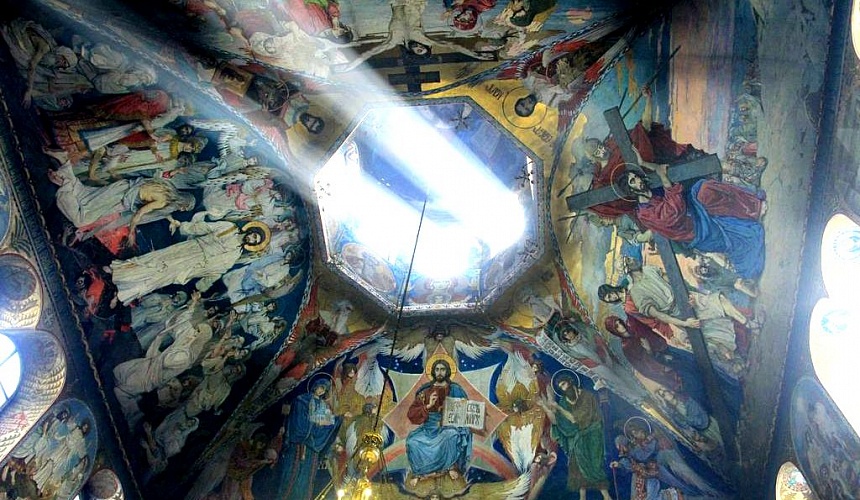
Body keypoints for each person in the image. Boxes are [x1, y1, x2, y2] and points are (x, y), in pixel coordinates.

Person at [614, 161, 766, 280]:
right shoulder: (644, 213)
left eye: (636, 177)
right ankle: (751, 211)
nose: (638, 181)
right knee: (743, 240)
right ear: (631, 190)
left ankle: (753, 207)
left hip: (693, 211)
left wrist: (645, 163)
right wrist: (663, 177)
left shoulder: (652, 192)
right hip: (694, 231)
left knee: (705, 189)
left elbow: (661, 172)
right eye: (632, 182)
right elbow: (673, 213)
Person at [107, 216, 270, 304]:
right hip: (189, 249)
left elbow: (218, 271)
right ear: (251, 231)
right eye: (254, 235)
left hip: (192, 266)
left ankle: (124, 292)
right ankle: (119, 270)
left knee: (160, 279)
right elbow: (204, 227)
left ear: (253, 244)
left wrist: (201, 287)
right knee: (154, 259)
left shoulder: (235, 254)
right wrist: (182, 226)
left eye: (254, 241)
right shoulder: (229, 228)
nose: (251, 239)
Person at [335, 0, 492, 72]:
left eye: (417, 51)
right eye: (421, 50)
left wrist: (350, 66)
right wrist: (475, 54)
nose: (418, 47)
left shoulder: (393, 41)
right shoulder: (424, 38)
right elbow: (453, 46)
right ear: (426, 48)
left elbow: (368, 53)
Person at [539, 373, 611, 500]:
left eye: (564, 384)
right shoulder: (563, 401)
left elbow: (575, 419)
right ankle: (582, 497)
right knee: (577, 465)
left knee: (594, 465)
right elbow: (559, 422)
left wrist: (559, 408)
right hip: (576, 437)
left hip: (593, 435)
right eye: (561, 387)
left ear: (571, 381)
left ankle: (606, 496)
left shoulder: (587, 396)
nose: (563, 388)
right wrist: (545, 406)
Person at [405, 358, 473, 486]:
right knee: (412, 442)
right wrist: (428, 406)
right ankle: (419, 472)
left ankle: (450, 466)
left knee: (451, 435)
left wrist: (460, 406)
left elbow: (467, 411)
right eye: (437, 369)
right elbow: (411, 414)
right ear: (433, 371)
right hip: (428, 428)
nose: (440, 372)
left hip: (447, 426)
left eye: (442, 369)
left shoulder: (455, 389)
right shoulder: (425, 391)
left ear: (447, 371)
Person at [275, 378, 342, 500]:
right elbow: (299, 422)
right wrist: (314, 425)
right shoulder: (302, 400)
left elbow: (328, 423)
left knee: (306, 478)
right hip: (299, 444)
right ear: (315, 386)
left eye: (324, 390)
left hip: (312, 448)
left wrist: (338, 419)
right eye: (320, 387)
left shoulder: (323, 406)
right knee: (292, 474)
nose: (321, 391)